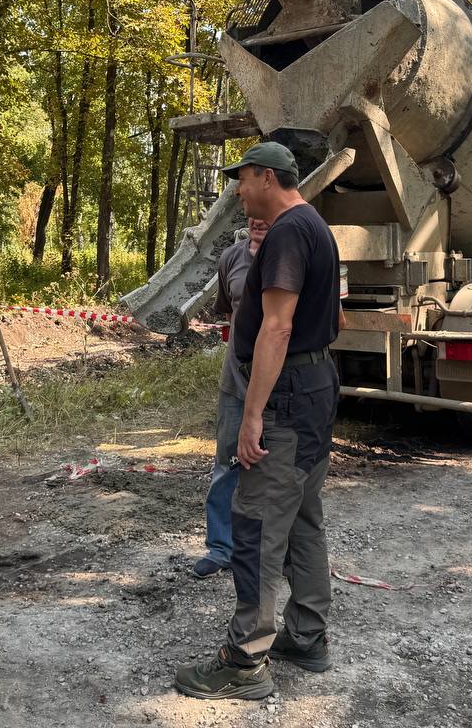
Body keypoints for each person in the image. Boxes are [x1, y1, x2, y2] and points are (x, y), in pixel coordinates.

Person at [174, 141, 341, 701]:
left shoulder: (289, 233)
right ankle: (307, 635)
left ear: (268, 177)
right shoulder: (315, 224)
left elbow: (277, 328)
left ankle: (245, 660)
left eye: (242, 179)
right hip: (316, 391)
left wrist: (251, 418)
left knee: (257, 525)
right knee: (303, 520)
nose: (237, 190)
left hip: (287, 399)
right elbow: (335, 316)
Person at [194, 218, 269, 579]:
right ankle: (221, 547)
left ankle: (276, 550)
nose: (257, 220)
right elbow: (230, 313)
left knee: (279, 466)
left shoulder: (291, 256)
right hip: (236, 382)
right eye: (252, 214)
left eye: (266, 215)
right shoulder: (231, 258)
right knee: (227, 463)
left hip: (279, 383)